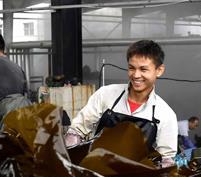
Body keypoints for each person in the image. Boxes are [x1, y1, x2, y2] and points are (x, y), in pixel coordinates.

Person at [64, 39, 178, 167]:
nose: (136, 75)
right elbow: (76, 132)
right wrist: (68, 161)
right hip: (96, 170)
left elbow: (166, 161)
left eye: (143, 69)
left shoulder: (165, 115)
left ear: (159, 70)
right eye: (131, 68)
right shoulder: (106, 94)